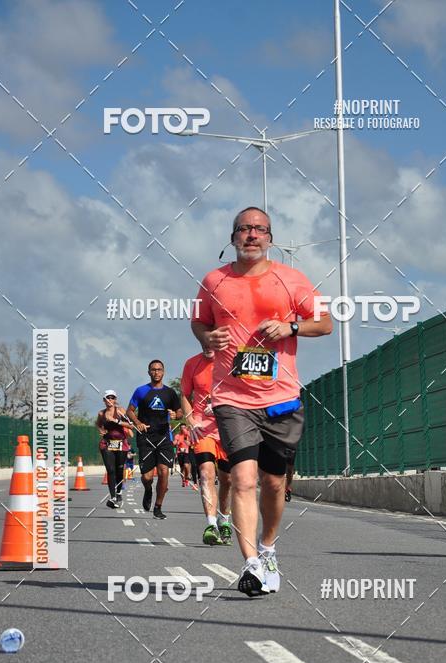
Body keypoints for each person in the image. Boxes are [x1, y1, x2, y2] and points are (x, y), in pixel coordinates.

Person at [192, 206, 332, 595]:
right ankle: (251, 564)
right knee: (242, 478)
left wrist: (290, 326)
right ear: (233, 237)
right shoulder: (213, 281)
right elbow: (199, 321)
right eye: (244, 229)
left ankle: (268, 547)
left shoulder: (292, 280)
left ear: (270, 238)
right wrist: (207, 338)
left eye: (260, 229)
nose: (252, 235)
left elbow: (324, 322)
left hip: (281, 398)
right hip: (232, 397)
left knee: (272, 483)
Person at [181, 348, 232, 545]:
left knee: (227, 480)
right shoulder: (192, 363)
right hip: (202, 428)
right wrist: (191, 421)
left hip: (228, 426)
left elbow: (245, 389)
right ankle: (211, 525)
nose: (208, 344)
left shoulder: (232, 359)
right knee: (206, 473)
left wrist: (222, 404)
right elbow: (184, 395)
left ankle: (224, 519)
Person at [126, 360, 181, 519]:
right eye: (153, 370)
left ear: (163, 372)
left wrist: (175, 415)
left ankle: (158, 506)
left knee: (164, 472)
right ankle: (148, 490)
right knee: (147, 477)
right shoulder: (141, 391)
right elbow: (130, 411)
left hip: (164, 437)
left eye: (159, 370)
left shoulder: (170, 393)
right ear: (149, 372)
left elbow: (179, 412)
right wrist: (138, 423)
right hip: (146, 438)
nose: (156, 372)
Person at [96, 390, 133, 508]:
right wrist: (101, 430)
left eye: (112, 398)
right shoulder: (101, 413)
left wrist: (115, 421)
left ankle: (119, 492)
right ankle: (112, 497)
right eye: (107, 398)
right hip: (107, 443)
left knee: (119, 469)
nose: (110, 400)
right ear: (104, 400)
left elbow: (131, 425)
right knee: (110, 470)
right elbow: (98, 424)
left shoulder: (120, 410)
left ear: (115, 399)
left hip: (121, 443)